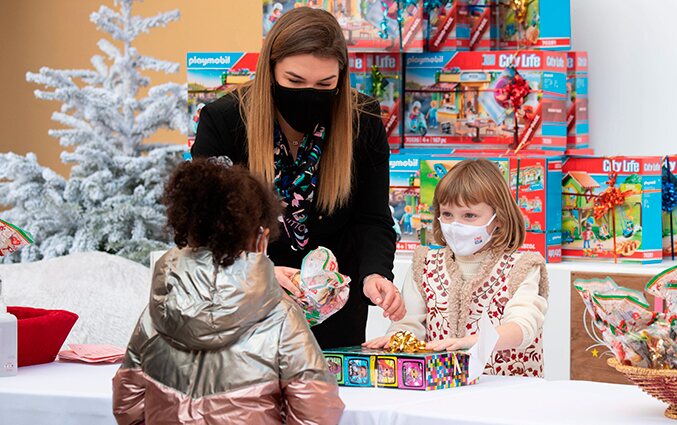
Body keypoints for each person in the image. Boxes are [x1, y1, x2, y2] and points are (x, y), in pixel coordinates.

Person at [191, 7, 404, 349]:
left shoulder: (362, 121)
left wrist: (375, 274)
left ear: (342, 76)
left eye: (325, 84)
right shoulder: (224, 120)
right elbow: (205, 229)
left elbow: (373, 219)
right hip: (242, 314)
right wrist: (257, 271)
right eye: (294, 81)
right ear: (270, 68)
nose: (309, 93)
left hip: (333, 316)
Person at [112, 159, 344, 424]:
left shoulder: (155, 313)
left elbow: (127, 403)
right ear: (261, 238)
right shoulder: (280, 315)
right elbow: (316, 409)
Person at [364, 159, 549, 377]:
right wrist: (398, 339)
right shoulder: (425, 265)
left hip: (506, 391)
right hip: (444, 388)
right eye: (447, 214)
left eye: (469, 216)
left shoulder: (522, 267)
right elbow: (410, 324)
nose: (455, 225)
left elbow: (523, 325)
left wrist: (473, 341)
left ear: (498, 218)